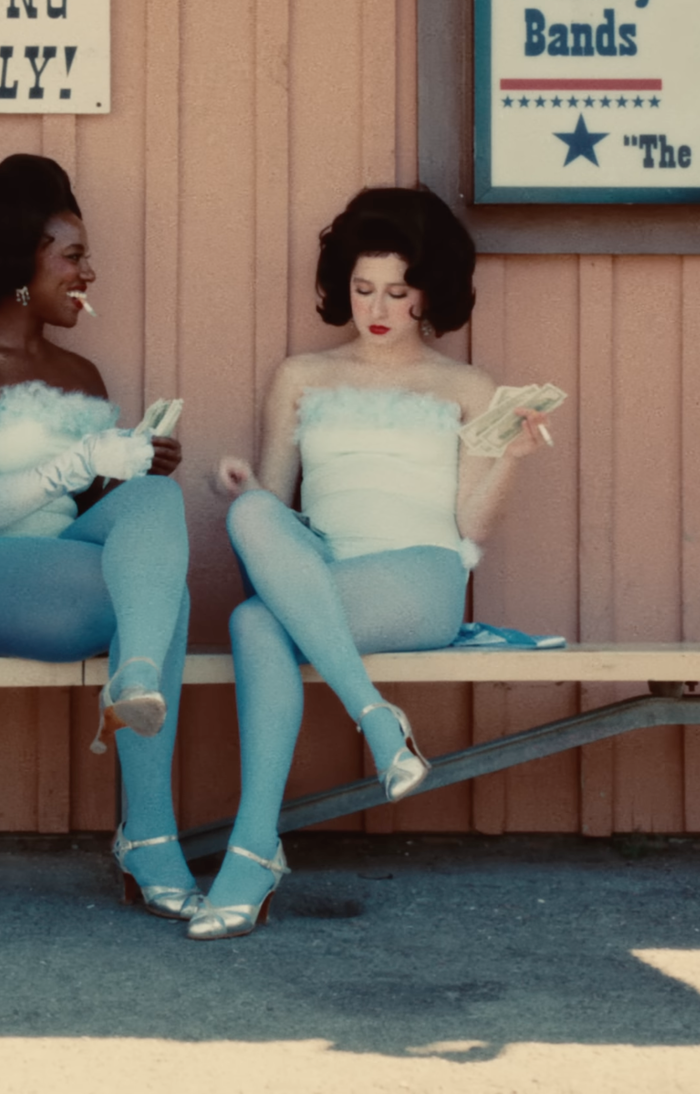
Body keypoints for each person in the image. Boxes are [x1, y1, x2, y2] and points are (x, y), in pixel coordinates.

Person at [196, 186, 553, 941]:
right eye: (363, 289)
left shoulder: (466, 386)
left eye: (398, 291)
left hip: (420, 577)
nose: (378, 308)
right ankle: (371, 727)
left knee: (257, 622)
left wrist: (512, 459)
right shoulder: (301, 375)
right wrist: (241, 487)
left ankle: (252, 857)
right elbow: (276, 505)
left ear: (429, 292)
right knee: (252, 523)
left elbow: (470, 526)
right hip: (320, 568)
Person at [0, 155, 200, 920]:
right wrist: (81, 459)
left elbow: (95, 516)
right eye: (72, 257)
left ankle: (136, 686)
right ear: (18, 266)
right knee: (160, 596)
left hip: (61, 580)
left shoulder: (83, 376)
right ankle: (150, 835)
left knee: (155, 510)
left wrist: (134, 466)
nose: (87, 274)